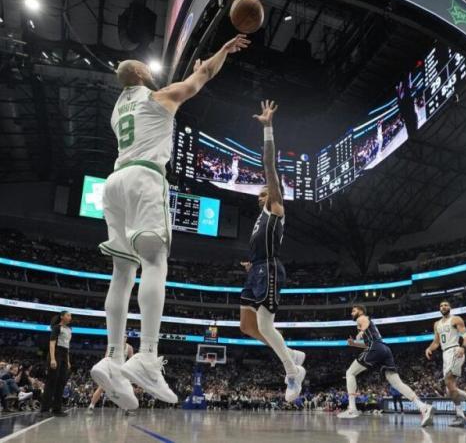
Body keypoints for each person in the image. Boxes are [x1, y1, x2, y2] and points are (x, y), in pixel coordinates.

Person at [90, 33, 251, 410]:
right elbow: (202, 78)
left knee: (122, 273)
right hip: (146, 179)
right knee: (154, 262)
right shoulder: (157, 97)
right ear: (144, 74)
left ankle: (113, 359)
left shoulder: (118, 110)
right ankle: (146, 355)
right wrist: (222, 51)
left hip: (114, 184)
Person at [238, 100, 306, 402]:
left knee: (266, 324)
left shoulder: (275, 204)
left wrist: (268, 128)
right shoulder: (260, 216)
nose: (262, 188)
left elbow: (269, 166)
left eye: (268, 186)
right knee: (247, 326)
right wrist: (250, 266)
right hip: (257, 270)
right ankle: (289, 353)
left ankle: (292, 372)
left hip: (271, 269)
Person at [338, 305, 434, 427]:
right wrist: (354, 344)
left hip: (376, 348)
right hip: (384, 349)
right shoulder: (369, 326)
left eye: (354, 310)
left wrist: (361, 332)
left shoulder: (361, 318)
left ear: (361, 311)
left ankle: (352, 408)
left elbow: (365, 323)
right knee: (397, 383)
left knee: (350, 373)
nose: (352, 313)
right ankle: (423, 406)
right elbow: (368, 344)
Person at [424, 300, 466, 427]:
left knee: (448, 382)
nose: (443, 307)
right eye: (441, 305)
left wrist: (463, 347)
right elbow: (436, 342)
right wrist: (429, 348)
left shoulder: (456, 319)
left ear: (450, 307)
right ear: (439, 309)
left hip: (455, 350)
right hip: (445, 354)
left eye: (446, 305)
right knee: (450, 390)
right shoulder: (436, 324)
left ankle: (461, 416)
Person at [87, 340, 134, 415]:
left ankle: (126, 410)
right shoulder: (113, 345)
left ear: (126, 338)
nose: (123, 337)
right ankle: (91, 407)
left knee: (124, 391)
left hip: (120, 372)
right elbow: (106, 357)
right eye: (122, 336)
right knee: (101, 388)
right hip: (111, 369)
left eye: (125, 336)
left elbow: (132, 361)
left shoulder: (129, 348)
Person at [41, 311, 72, 417]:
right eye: (68, 315)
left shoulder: (69, 329)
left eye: (70, 316)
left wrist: (67, 361)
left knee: (61, 383)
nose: (70, 317)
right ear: (62, 317)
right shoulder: (56, 328)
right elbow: (52, 343)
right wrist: (53, 359)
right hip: (56, 354)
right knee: (51, 382)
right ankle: (44, 410)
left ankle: (56, 409)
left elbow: (67, 346)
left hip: (64, 355)